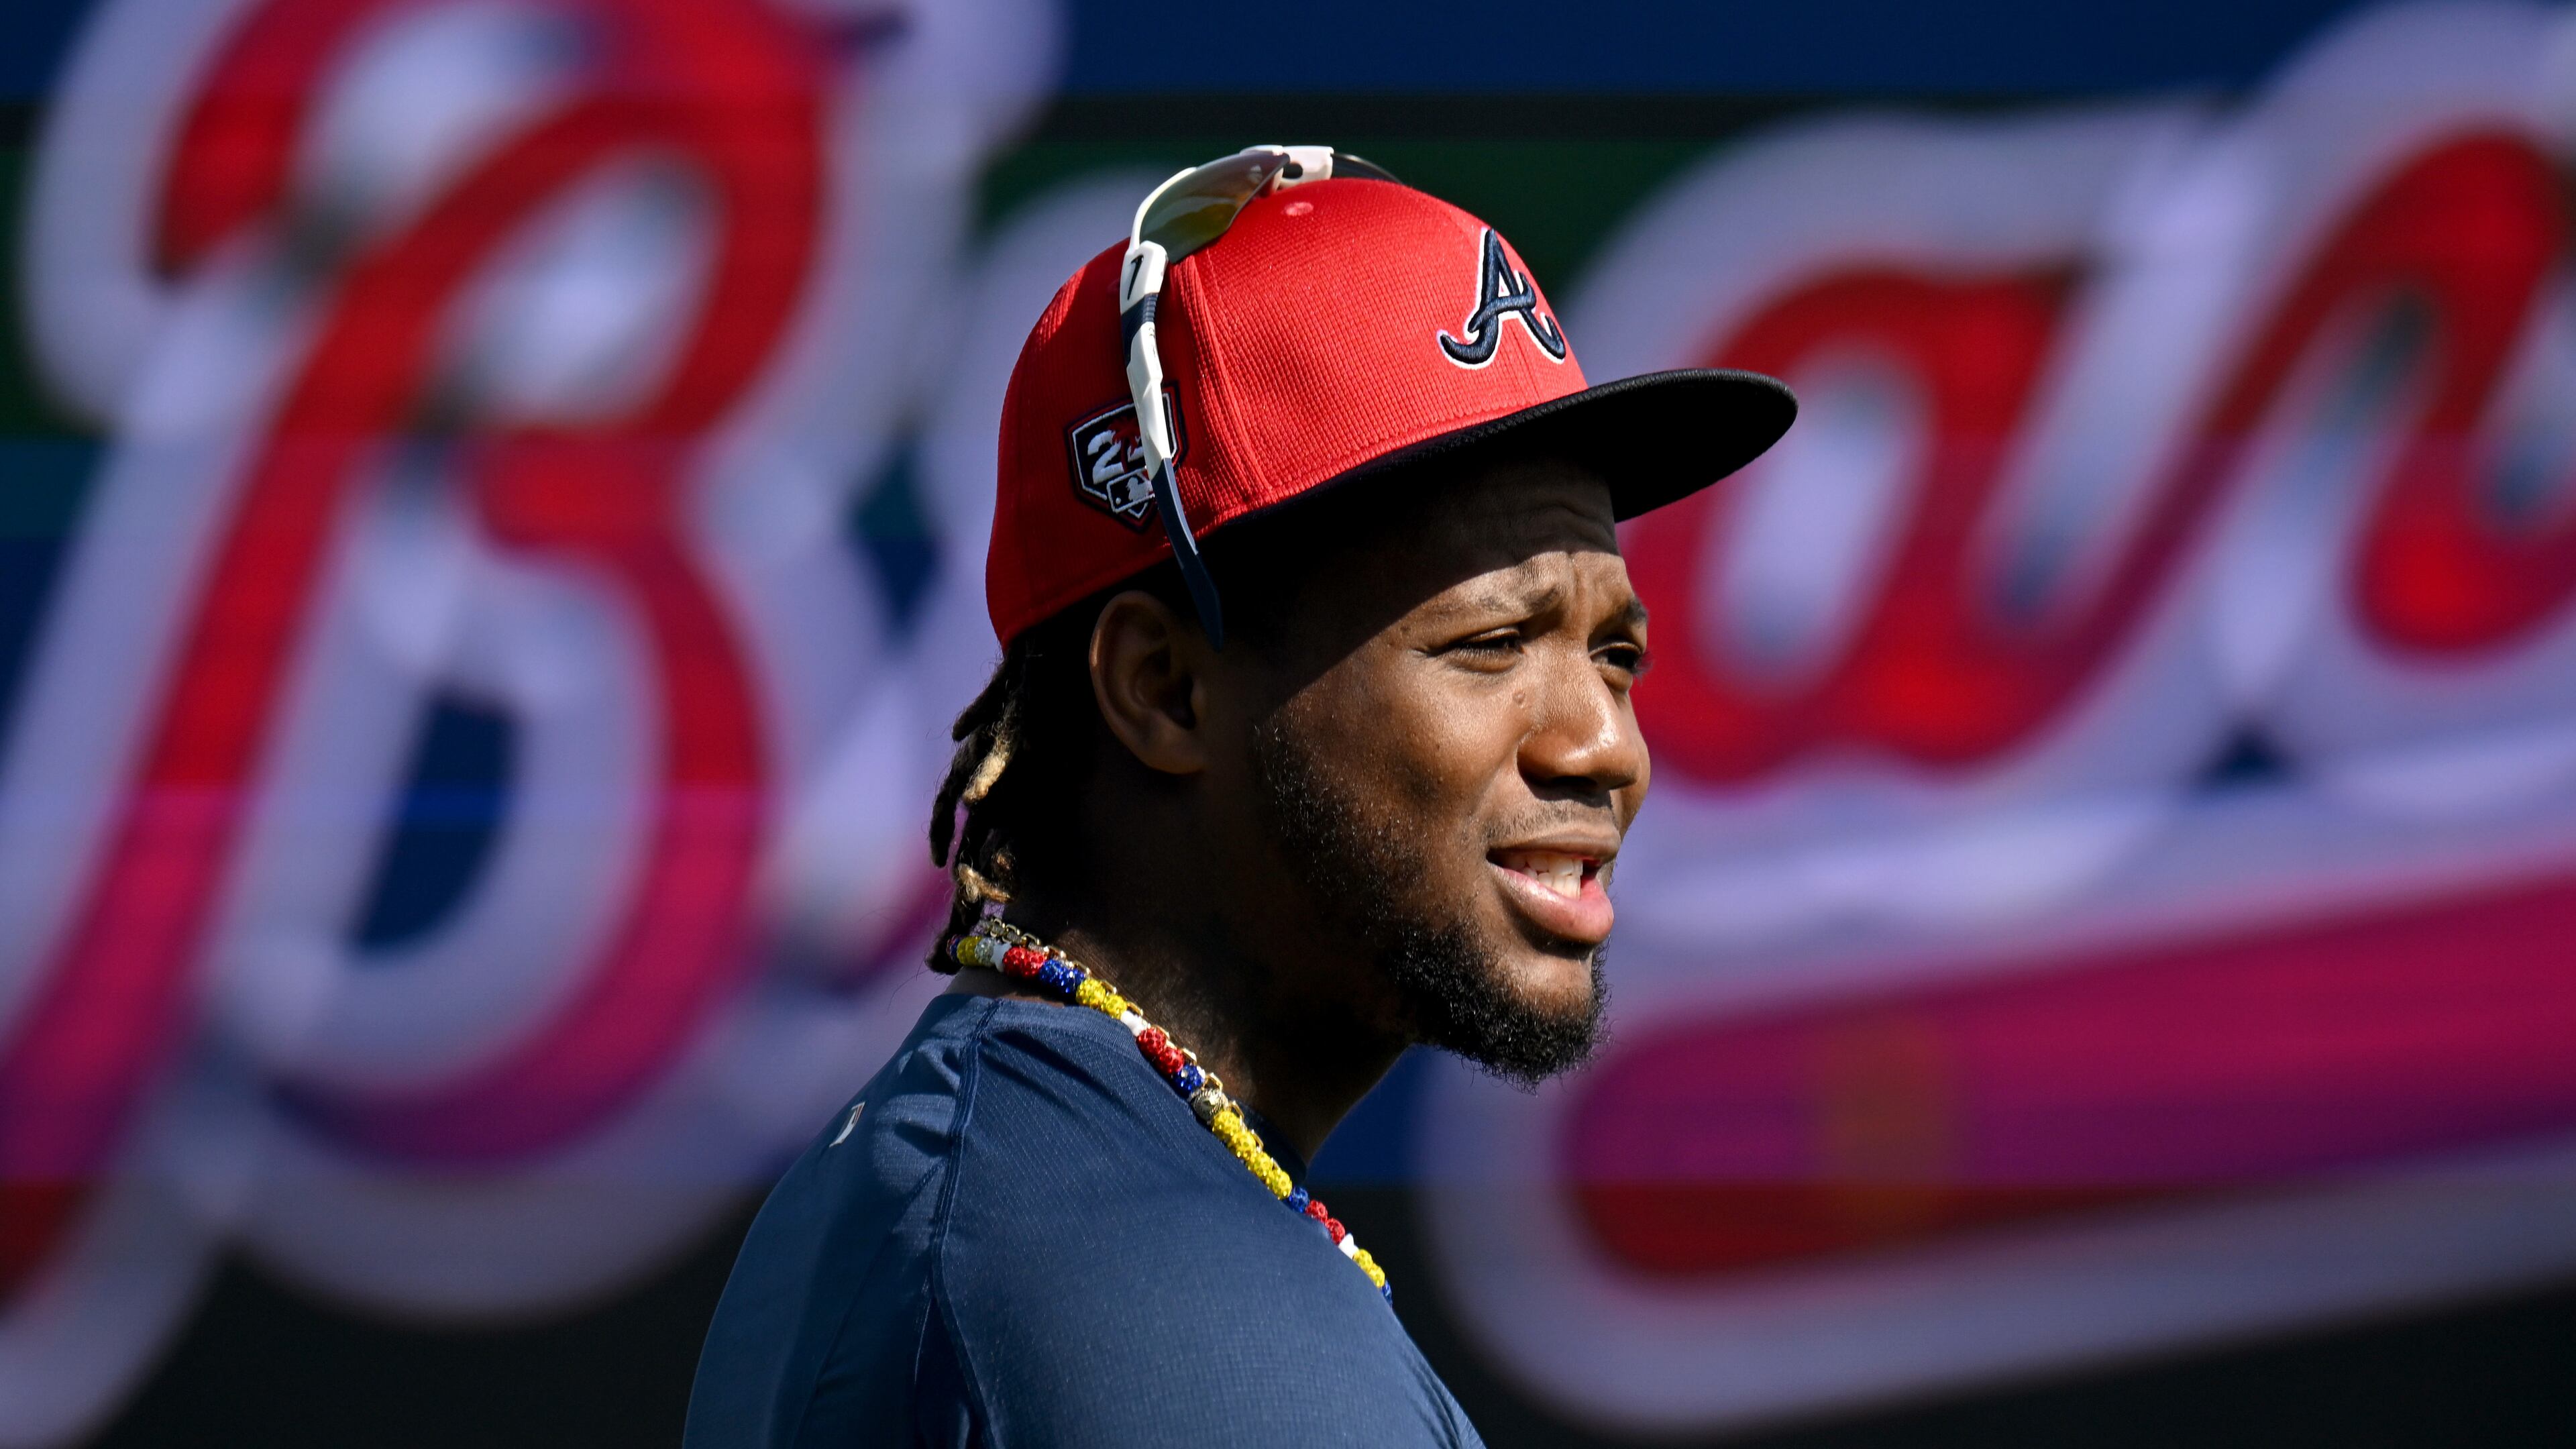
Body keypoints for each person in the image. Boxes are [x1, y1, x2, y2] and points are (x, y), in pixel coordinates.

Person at [684, 146, 1792, 1447]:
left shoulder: (1065, 1178)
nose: (1603, 745)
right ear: (1164, 687)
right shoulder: (1119, 1275)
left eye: (1617, 654)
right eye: (1492, 643)